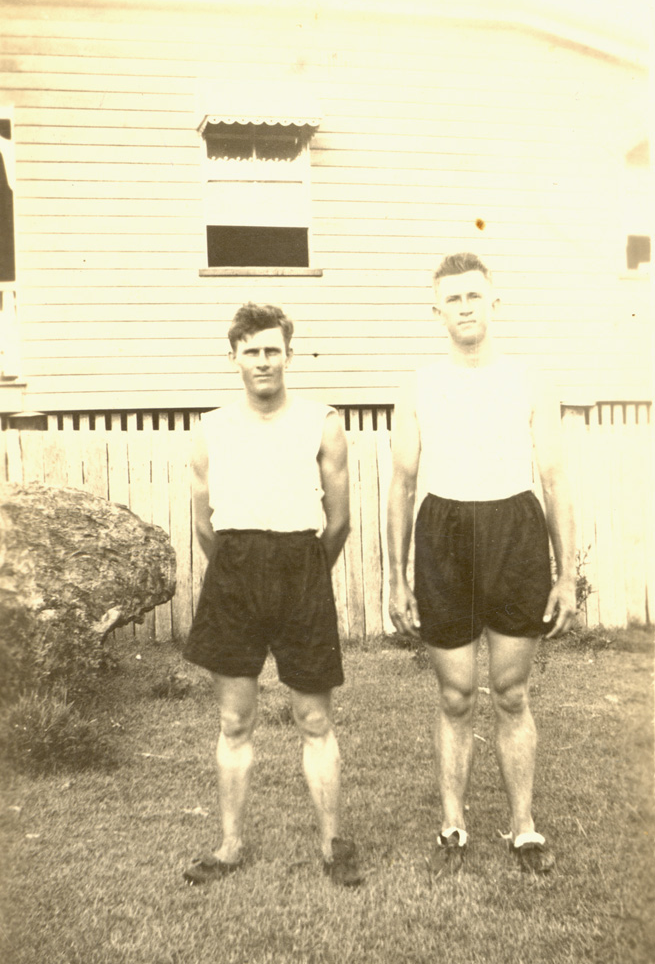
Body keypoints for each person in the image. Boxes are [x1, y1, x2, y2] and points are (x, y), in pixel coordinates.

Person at [387, 252, 576, 876]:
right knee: (456, 693)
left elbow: (554, 479)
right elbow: (402, 484)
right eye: (453, 298)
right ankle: (453, 824)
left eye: (474, 295)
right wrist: (396, 576)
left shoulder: (529, 380)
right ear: (436, 309)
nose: (465, 307)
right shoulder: (419, 384)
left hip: (514, 532)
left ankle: (524, 828)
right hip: (443, 533)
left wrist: (566, 574)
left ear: (494, 301)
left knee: (513, 692)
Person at [182, 302, 362, 887]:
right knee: (234, 719)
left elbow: (339, 521)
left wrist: (304, 571)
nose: (263, 361)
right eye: (251, 351)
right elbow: (204, 525)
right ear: (233, 356)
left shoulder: (321, 421)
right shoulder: (211, 428)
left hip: (301, 569)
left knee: (314, 717)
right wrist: (239, 569)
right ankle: (230, 845)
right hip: (233, 572)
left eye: (272, 350)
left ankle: (333, 845)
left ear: (289, 354)